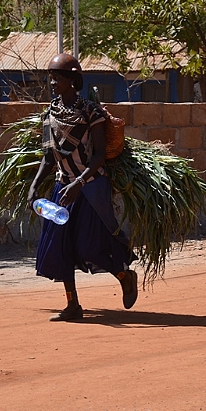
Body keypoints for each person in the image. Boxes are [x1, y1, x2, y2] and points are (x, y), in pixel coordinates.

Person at [27, 53, 138, 321]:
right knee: (60, 248)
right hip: (62, 190)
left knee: (90, 246)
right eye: (52, 78)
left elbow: (99, 154)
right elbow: (47, 157)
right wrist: (34, 187)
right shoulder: (50, 113)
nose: (53, 83)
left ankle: (125, 276)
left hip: (89, 188)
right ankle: (72, 305)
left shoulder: (91, 112)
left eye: (59, 78)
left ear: (73, 80)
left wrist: (78, 182)